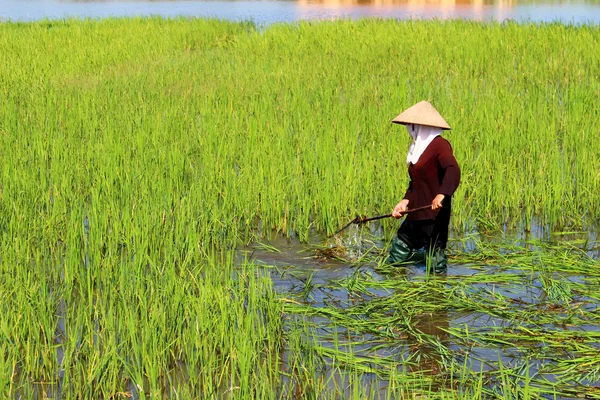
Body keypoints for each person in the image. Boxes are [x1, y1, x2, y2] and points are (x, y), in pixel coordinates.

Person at [387, 101, 460, 273]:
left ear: (421, 126)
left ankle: (437, 293)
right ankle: (392, 282)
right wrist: (404, 201)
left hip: (434, 213)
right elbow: (416, 182)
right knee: (400, 247)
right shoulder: (417, 149)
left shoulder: (440, 145)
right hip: (416, 211)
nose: (409, 130)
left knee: (435, 258)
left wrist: (442, 194)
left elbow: (453, 170)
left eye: (412, 126)